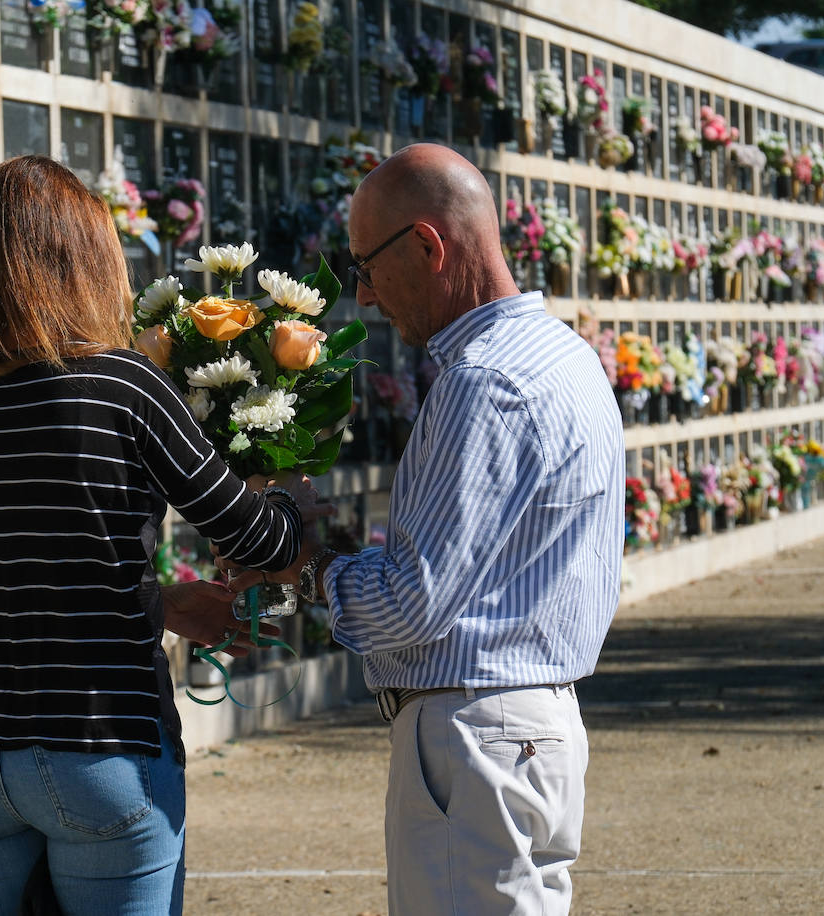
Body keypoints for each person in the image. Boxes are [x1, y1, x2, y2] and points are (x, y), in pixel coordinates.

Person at [0, 154, 313, 915]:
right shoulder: (121, 383)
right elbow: (261, 545)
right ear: (85, 258)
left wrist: (167, 606)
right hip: (96, 743)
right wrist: (285, 492)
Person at [229, 143, 625, 915]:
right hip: (534, 724)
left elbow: (412, 602)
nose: (367, 298)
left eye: (367, 269)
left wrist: (298, 567)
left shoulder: (484, 382)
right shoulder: (563, 356)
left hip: (476, 734)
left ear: (427, 245)